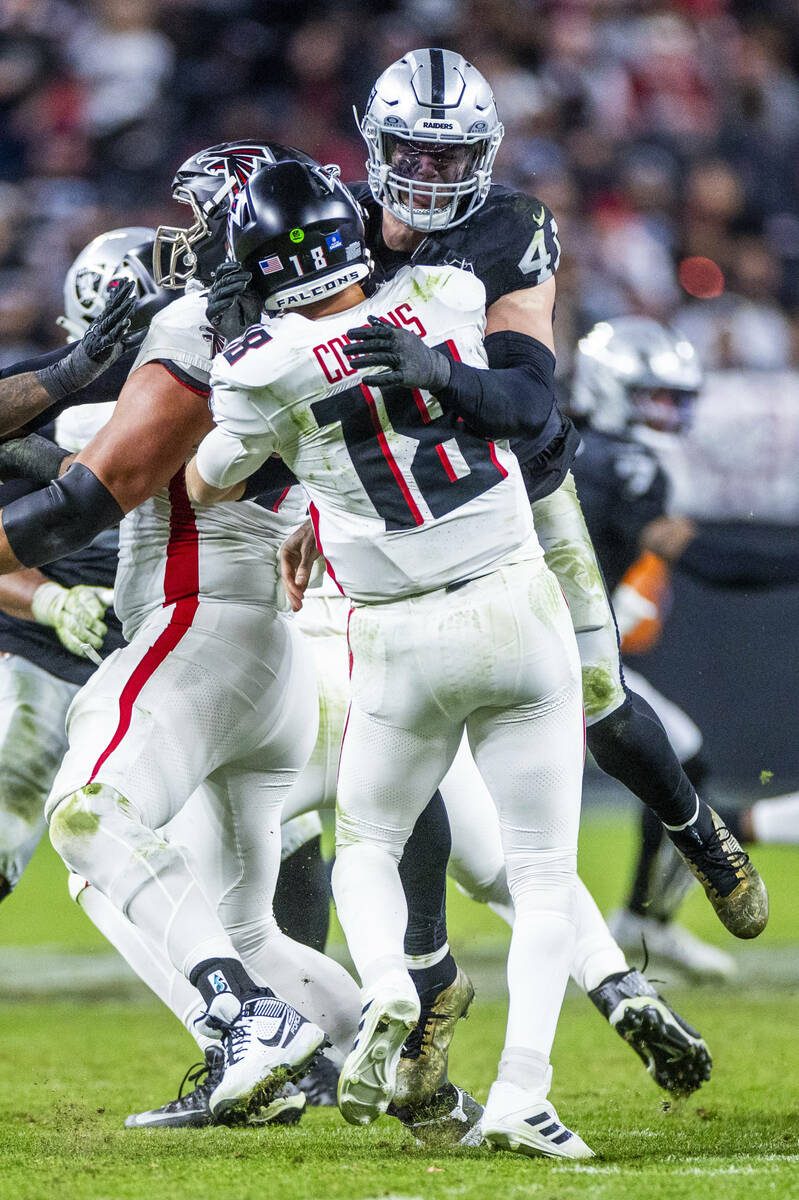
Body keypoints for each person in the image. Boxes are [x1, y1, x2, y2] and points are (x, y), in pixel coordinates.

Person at [209, 46, 764, 1119]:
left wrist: (437, 376)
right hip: (393, 521)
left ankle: (696, 831)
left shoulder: (508, 230)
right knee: (408, 765)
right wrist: (317, 509)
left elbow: (525, 404)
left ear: (484, 154)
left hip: (522, 495)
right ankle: (445, 989)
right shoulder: (342, 225)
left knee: (596, 697)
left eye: (448, 151)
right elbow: (326, 409)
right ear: (372, 149)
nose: (426, 169)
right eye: (410, 148)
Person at [190, 156, 597, 1159]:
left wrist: (235, 337)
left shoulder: (256, 367)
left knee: (366, 841)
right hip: (509, 601)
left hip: (389, 630)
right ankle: (522, 1096)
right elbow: (518, 393)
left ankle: (383, 988)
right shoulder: (448, 294)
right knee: (542, 873)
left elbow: (210, 483)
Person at [0, 142, 378, 1123]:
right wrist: (73, 374)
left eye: (201, 222)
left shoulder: (203, 328)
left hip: (194, 625)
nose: (186, 241)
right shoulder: (342, 322)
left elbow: (99, 484)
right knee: (240, 925)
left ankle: (245, 1025)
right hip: (280, 654)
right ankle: (389, 1059)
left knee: (87, 815)